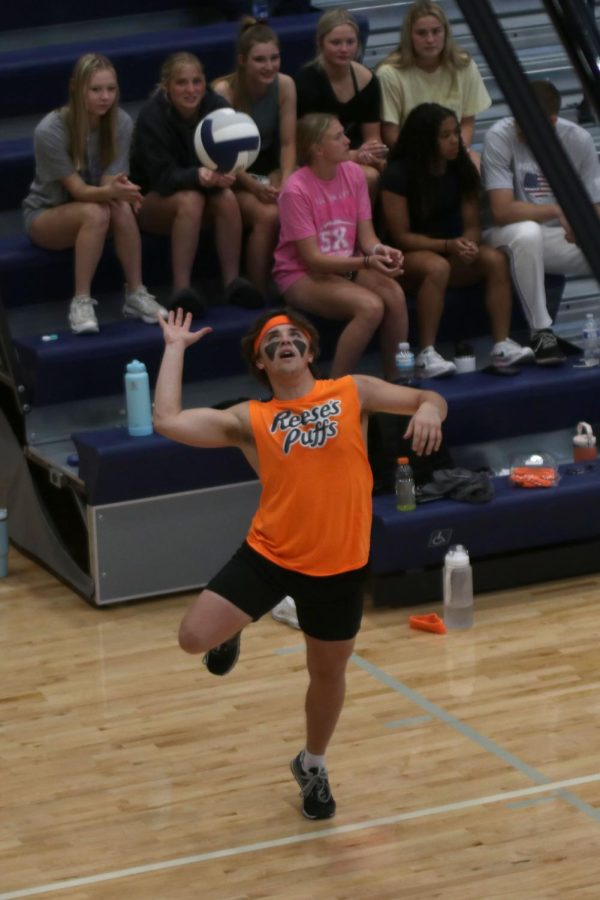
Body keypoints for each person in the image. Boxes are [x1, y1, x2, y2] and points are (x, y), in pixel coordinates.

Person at [154, 305, 447, 819]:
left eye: (294, 338)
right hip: (270, 555)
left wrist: (429, 411)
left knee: (327, 672)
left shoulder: (351, 390)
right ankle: (233, 627)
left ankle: (312, 765)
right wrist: (174, 349)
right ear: (262, 362)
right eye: (272, 340)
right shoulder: (251, 418)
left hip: (340, 565)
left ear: (310, 352)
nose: (284, 343)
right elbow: (168, 421)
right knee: (192, 638)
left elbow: (430, 395)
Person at [381, 103, 533, 377]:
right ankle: (426, 355)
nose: (455, 140)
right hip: (409, 258)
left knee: (495, 259)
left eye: (455, 133)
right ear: (426, 140)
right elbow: (400, 237)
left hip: (451, 251)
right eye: (446, 135)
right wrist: (448, 246)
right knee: (437, 266)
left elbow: (473, 224)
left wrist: (470, 244)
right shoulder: (398, 174)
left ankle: (502, 345)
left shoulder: (461, 168)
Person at [22, 53, 166, 335]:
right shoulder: (50, 130)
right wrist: (115, 192)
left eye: (111, 89)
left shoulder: (121, 122)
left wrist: (123, 192)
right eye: (96, 90)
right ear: (77, 88)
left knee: (118, 207)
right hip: (47, 214)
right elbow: (77, 190)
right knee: (97, 210)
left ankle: (136, 293)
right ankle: (81, 301)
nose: (105, 97)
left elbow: (109, 184)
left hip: (95, 208)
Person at [273, 113, 408, 381]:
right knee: (370, 307)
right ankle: (334, 386)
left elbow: (367, 239)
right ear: (317, 149)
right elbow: (313, 260)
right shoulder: (295, 190)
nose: (348, 140)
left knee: (394, 294)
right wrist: (366, 263)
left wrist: (382, 252)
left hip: (345, 263)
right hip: (300, 273)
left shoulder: (354, 174)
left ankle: (396, 378)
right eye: (338, 137)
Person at [130, 52, 263, 316]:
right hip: (150, 201)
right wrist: (198, 175)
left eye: (197, 81)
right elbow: (162, 179)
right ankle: (182, 290)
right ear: (167, 86)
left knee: (225, 197)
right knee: (191, 199)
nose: (191, 90)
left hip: (203, 192)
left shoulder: (216, 106)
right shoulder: (152, 116)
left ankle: (232, 282)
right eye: (182, 83)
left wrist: (227, 172)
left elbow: (232, 152)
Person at [481, 79, 600, 365]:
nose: (519, 129)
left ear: (551, 120)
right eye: (517, 119)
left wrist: (583, 227)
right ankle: (541, 333)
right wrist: (559, 211)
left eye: (528, 123)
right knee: (528, 232)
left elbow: (595, 207)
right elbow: (501, 211)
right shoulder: (500, 135)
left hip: (556, 239)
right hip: (503, 236)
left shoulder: (578, 140)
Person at [213, 18, 297, 294]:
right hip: (230, 175)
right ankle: (257, 292)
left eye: (274, 58)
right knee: (269, 215)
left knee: (295, 198)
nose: (269, 66)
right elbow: (222, 155)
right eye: (260, 60)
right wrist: (252, 185)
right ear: (242, 60)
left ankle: (298, 281)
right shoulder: (224, 92)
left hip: (266, 169)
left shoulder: (285, 85)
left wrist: (285, 182)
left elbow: (287, 144)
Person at [377, 1, 491, 167]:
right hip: (410, 156)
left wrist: (458, 150)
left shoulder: (464, 65)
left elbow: (467, 121)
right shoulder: (389, 73)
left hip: (452, 150)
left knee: (474, 165)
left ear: (446, 32)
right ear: (409, 36)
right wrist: (424, 159)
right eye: (421, 33)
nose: (430, 39)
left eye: (436, 31)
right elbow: (390, 131)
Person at [295, 8, 387, 197]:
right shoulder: (307, 81)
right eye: (336, 43)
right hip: (319, 157)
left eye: (350, 42)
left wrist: (370, 152)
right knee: (365, 176)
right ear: (321, 43)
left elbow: (373, 137)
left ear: (358, 44)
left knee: (381, 174)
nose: (344, 49)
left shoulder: (368, 80)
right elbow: (309, 144)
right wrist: (353, 155)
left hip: (358, 154)